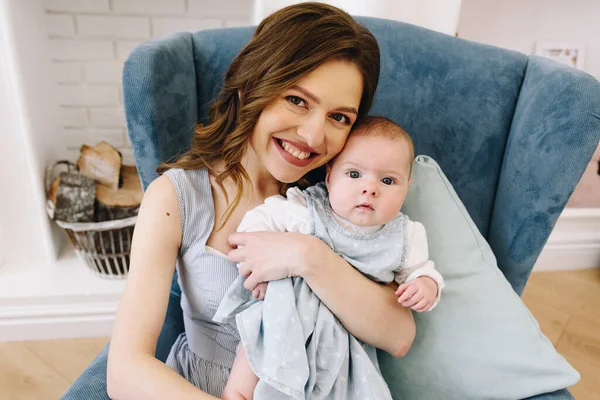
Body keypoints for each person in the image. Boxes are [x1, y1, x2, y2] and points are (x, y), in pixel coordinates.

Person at [63, 3, 417, 400]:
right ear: (252, 86)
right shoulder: (178, 198)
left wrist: (307, 256)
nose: (314, 136)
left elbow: (399, 336)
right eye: (297, 100)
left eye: (339, 117)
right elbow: (125, 372)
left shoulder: (344, 199)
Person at [215, 116, 445, 399]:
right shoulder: (307, 212)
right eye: (354, 174)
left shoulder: (404, 237)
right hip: (287, 318)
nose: (369, 188)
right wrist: (255, 271)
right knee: (254, 357)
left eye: (387, 180)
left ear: (406, 187)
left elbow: (420, 270)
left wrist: (426, 286)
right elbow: (257, 225)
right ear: (329, 175)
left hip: (345, 340)